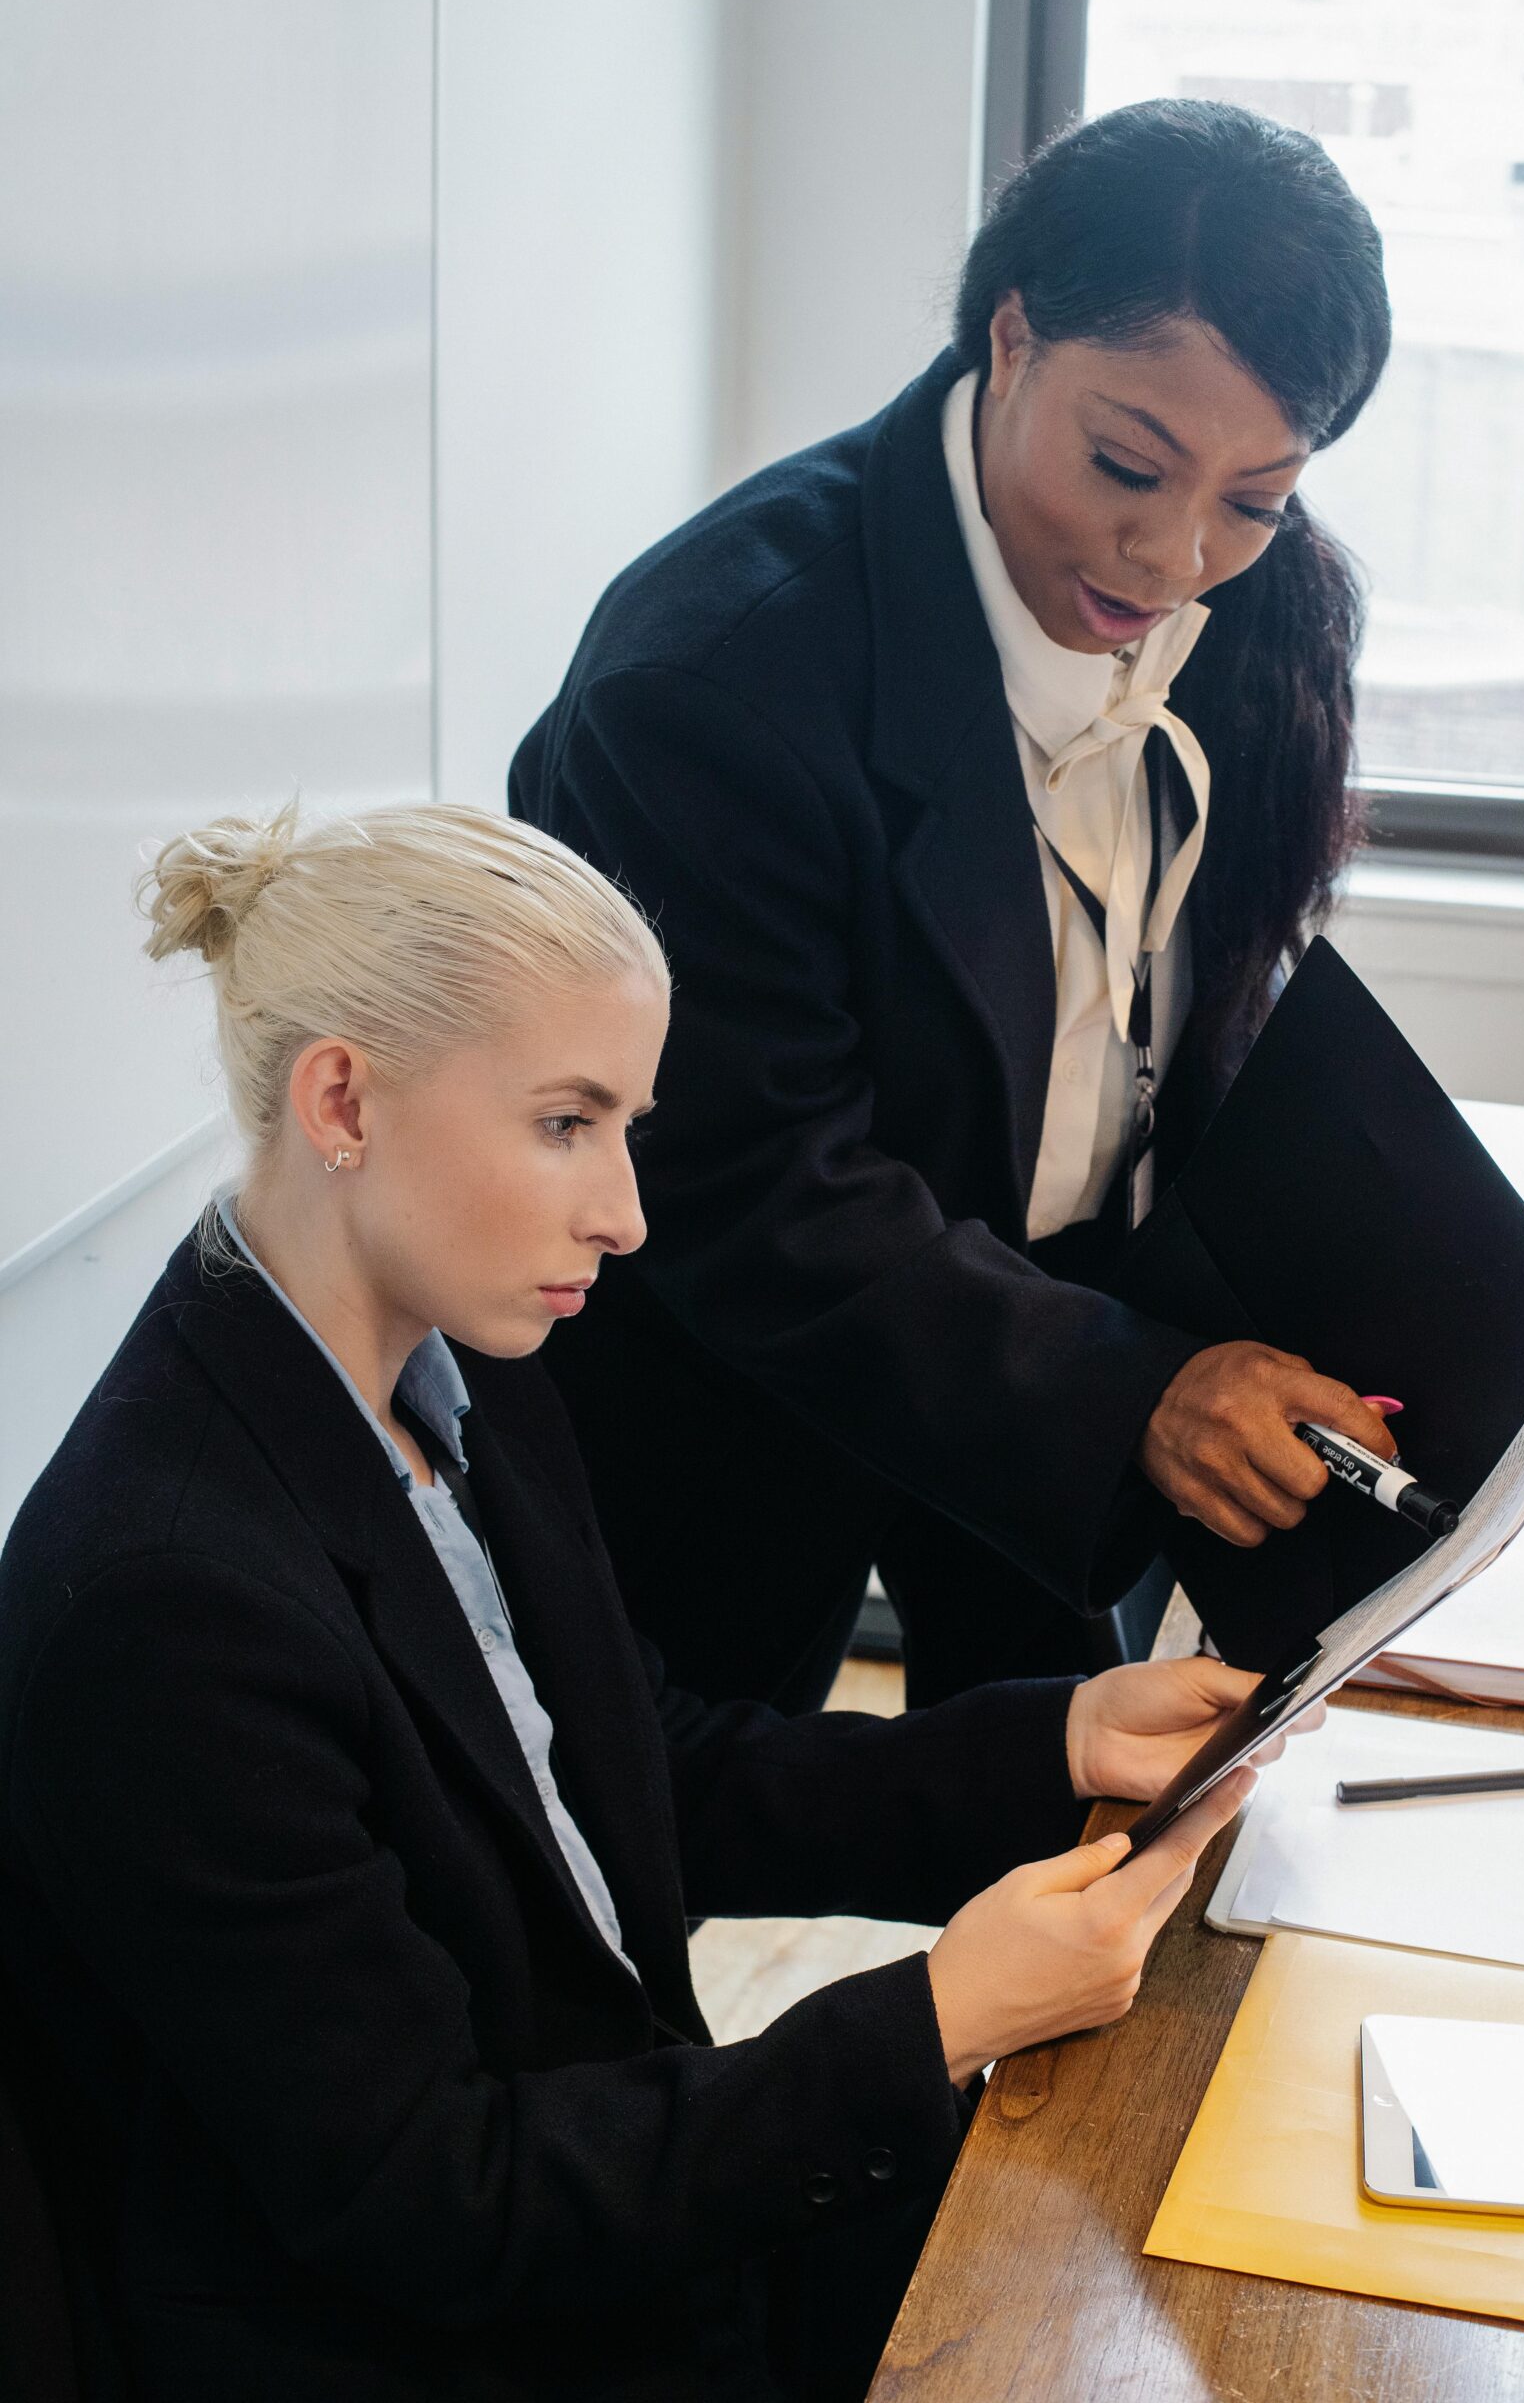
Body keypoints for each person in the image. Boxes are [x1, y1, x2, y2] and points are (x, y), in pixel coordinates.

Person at [0, 801, 1292, 2403]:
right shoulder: (169, 1605)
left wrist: (1061, 1741)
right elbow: (431, 2196)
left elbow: (633, 1769)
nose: (626, 1211)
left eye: (628, 1129)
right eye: (565, 1124)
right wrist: (930, 2020)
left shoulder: (460, 1364)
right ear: (341, 1098)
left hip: (626, 2209)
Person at [510, 98, 1399, 1714]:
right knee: (684, 1838)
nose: (1175, 555)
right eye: (1127, 463)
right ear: (1009, 337)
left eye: (1257, 498)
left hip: (1062, 1331)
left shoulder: (1251, 602)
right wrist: (1134, 1391)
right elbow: (753, 1183)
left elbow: (1203, 1009)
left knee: (1074, 1808)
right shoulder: (713, 679)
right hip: (749, 1372)